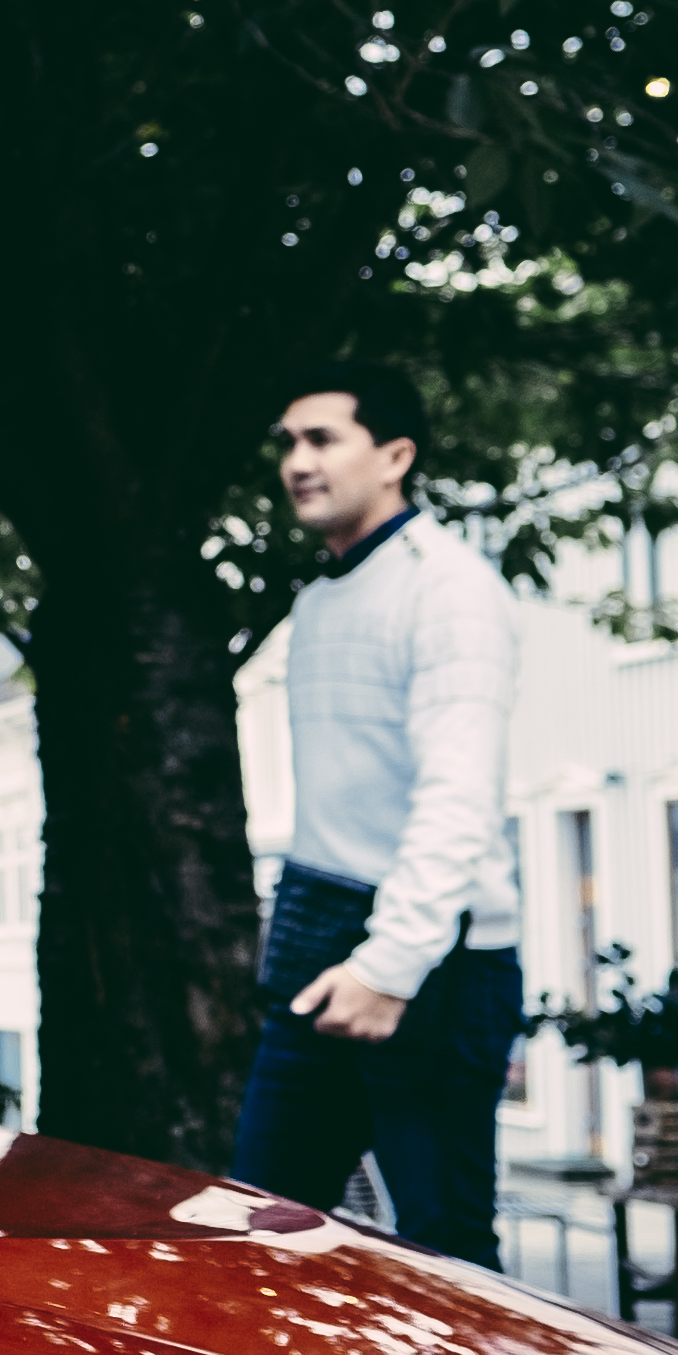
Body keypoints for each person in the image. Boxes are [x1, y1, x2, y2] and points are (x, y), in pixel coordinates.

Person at [228, 363, 531, 1266]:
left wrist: (392, 965)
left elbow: (459, 795)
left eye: (323, 439)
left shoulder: (450, 589)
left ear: (395, 455)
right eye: (288, 442)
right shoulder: (320, 600)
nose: (297, 461)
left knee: (447, 1259)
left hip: (433, 957)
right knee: (261, 1232)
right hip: (320, 930)